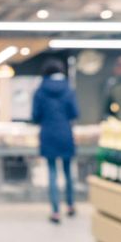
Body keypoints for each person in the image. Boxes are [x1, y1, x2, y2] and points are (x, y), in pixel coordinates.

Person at [32, 59, 79, 224]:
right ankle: (71, 205)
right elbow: (74, 113)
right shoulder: (68, 89)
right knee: (68, 172)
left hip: (48, 133)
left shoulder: (40, 91)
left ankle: (55, 211)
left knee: (52, 173)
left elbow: (35, 116)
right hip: (65, 133)